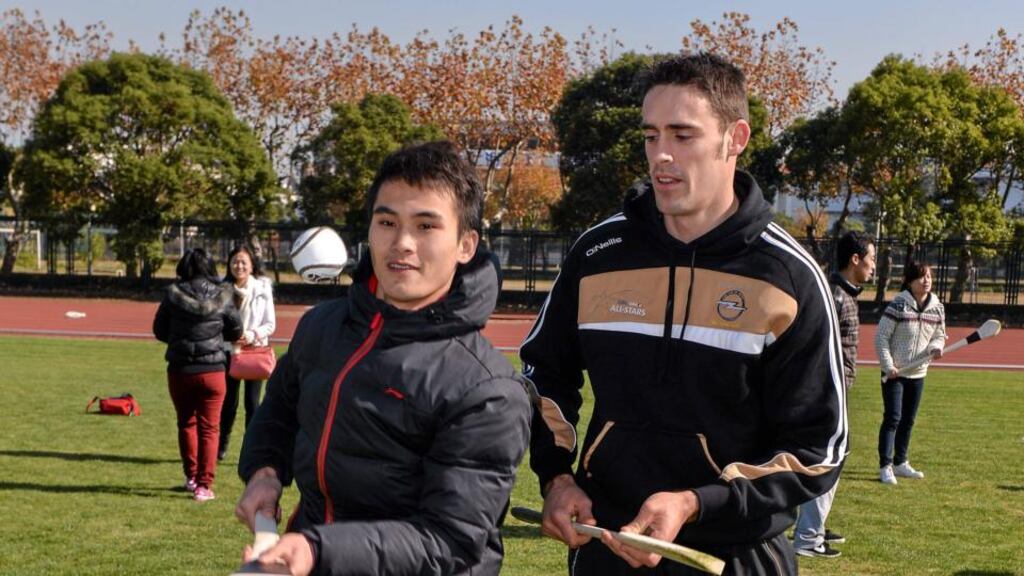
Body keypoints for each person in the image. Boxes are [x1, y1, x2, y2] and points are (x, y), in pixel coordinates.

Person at [520, 52, 847, 575]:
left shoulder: (788, 277)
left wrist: (696, 502)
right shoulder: (598, 254)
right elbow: (542, 378)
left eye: (682, 135)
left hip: (734, 556)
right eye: (651, 136)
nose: (661, 156)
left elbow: (817, 449)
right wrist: (557, 478)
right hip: (607, 548)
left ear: (734, 139)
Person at [234, 141, 531, 575]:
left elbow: (449, 540)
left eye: (426, 226)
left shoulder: (488, 389)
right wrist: (264, 472)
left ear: (466, 244)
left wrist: (318, 551)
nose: (402, 243)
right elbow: (278, 411)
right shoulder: (322, 326)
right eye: (387, 221)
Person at [794, 231, 875, 558]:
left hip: (834, 392)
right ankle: (808, 538)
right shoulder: (834, 296)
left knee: (826, 458)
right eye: (871, 259)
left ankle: (813, 526)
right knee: (829, 459)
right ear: (854, 259)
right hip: (825, 393)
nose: (874, 267)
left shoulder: (843, 293)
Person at [153, 248, 243, 502]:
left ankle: (191, 476)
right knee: (210, 428)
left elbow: (159, 329)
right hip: (213, 370)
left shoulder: (173, 295)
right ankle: (204, 485)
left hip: (180, 369)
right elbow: (236, 329)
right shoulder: (223, 294)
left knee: (186, 423)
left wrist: (179, 337)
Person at [875, 260, 946, 485]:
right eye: (921, 277)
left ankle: (901, 462)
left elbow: (939, 334)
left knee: (908, 420)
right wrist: (889, 366)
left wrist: (937, 347)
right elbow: (881, 337)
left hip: (918, 373)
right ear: (909, 281)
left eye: (929, 277)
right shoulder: (898, 305)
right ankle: (885, 466)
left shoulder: (937, 307)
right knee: (893, 418)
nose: (926, 281)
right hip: (895, 374)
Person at [219, 244, 276, 461]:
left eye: (243, 261)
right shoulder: (222, 288)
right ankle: (221, 446)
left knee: (253, 404)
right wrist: (231, 336)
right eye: (235, 261)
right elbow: (217, 321)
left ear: (252, 265)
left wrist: (250, 335)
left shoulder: (262, 288)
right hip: (229, 351)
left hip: (255, 353)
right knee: (228, 403)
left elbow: (270, 324)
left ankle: (250, 449)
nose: (239, 265)